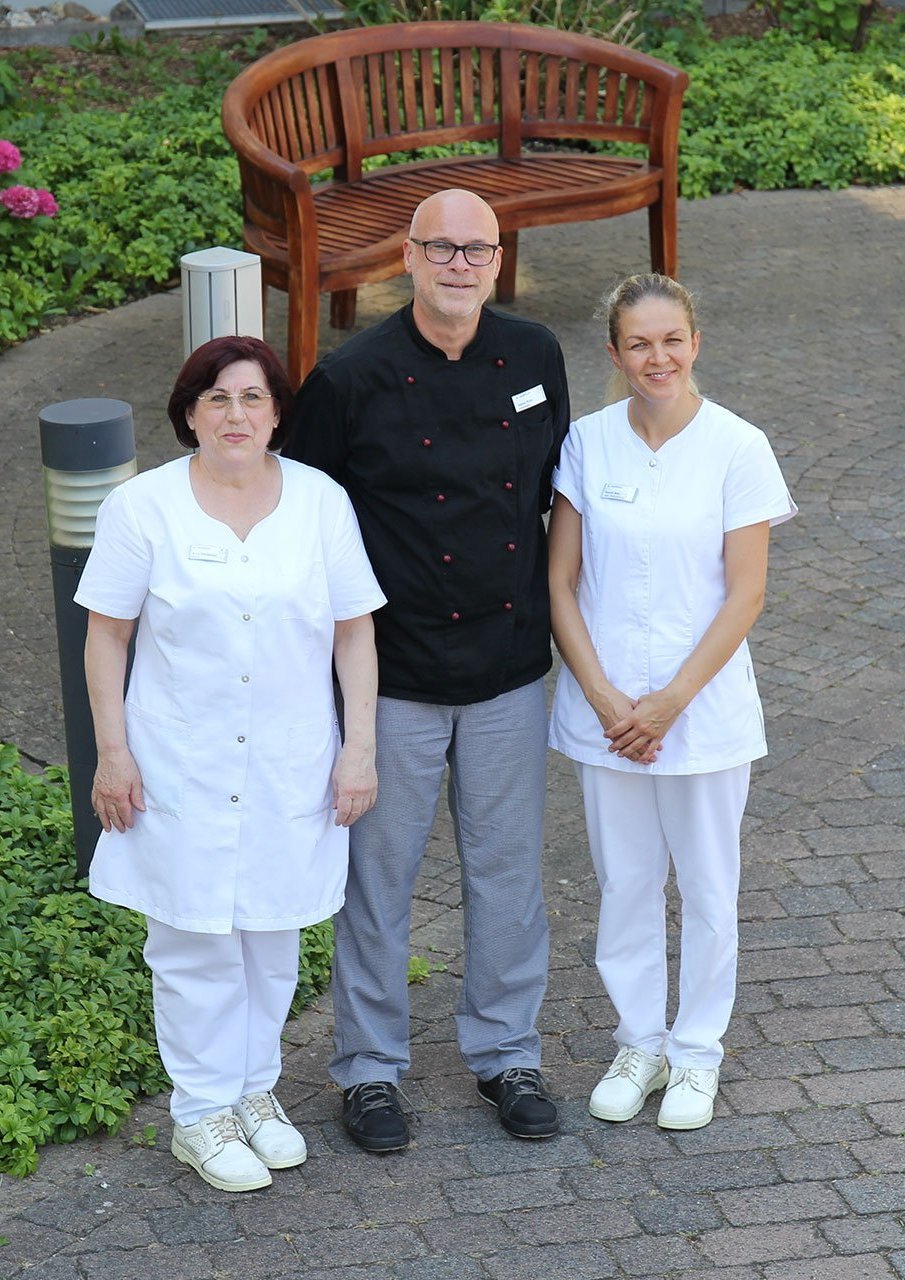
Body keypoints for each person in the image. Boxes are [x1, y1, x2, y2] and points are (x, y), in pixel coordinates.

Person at [284, 188, 571, 1150]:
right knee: (380, 878)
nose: (459, 264)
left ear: (499, 262)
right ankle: (369, 1072)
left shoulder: (535, 357)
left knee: (507, 872)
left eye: (477, 250)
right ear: (405, 259)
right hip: (392, 676)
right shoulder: (349, 378)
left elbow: (546, 499)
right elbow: (308, 523)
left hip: (507, 664)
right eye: (440, 248)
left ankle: (508, 1055)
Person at [78, 335, 385, 1193]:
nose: (236, 414)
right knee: (192, 946)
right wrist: (113, 753)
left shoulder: (321, 502)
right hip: (178, 764)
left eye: (252, 398)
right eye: (216, 399)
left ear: (278, 412)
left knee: (271, 939)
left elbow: (355, 632)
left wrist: (358, 746)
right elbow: (107, 635)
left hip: (293, 763)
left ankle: (254, 1093)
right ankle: (199, 1113)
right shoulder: (143, 509)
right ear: (188, 414)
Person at [546, 273, 795, 1131]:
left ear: (696, 343)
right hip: (606, 712)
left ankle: (696, 1054)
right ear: (615, 354)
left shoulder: (738, 447)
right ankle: (639, 1042)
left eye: (672, 340)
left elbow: (745, 595)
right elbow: (559, 581)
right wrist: (609, 697)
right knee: (623, 883)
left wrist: (668, 704)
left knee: (708, 884)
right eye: (639, 343)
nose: (658, 357)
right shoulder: (586, 443)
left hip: (703, 713)